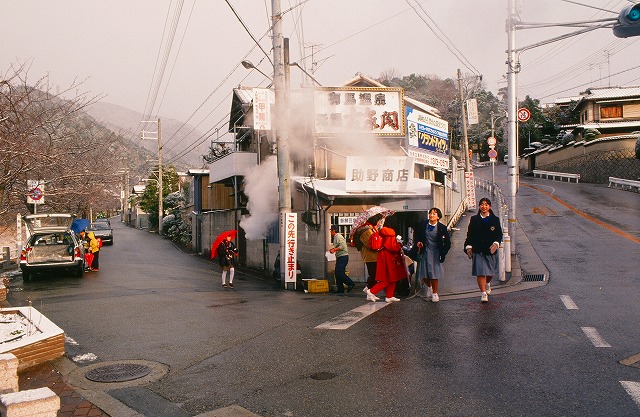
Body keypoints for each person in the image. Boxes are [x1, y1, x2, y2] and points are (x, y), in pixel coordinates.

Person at [464, 197, 503, 303]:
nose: (484, 206)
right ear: (479, 206)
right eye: (482, 204)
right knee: (480, 272)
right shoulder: (474, 219)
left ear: (489, 206)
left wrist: (496, 243)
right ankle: (483, 293)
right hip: (478, 250)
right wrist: (468, 246)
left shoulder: (495, 219)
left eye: (486, 204)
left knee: (490, 273)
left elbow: (499, 234)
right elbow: (469, 235)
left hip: (490, 250)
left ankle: (487, 283)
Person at [366, 216, 407, 303]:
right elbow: (392, 247)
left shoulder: (382, 230)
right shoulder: (391, 232)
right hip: (389, 257)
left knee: (392, 277)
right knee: (388, 278)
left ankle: (389, 295)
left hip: (382, 256)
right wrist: (400, 244)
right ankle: (371, 291)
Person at [415, 207, 451, 302]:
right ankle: (429, 287)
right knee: (425, 274)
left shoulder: (442, 228)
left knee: (434, 274)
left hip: (436, 253)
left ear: (438, 217)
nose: (431, 215)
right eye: (430, 213)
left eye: (434, 214)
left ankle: (435, 293)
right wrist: (419, 242)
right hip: (425, 251)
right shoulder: (423, 224)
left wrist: (443, 253)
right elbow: (418, 236)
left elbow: (447, 243)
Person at [353, 213, 384, 293]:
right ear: (375, 221)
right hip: (371, 256)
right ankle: (368, 290)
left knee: (374, 275)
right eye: (379, 221)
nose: (379, 222)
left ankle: (369, 290)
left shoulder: (372, 229)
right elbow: (371, 244)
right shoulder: (366, 231)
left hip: (374, 256)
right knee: (374, 275)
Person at [329, 225, 355, 293]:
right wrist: (333, 249)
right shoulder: (336, 237)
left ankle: (350, 283)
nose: (330, 232)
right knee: (337, 273)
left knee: (339, 272)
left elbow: (342, 246)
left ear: (333, 231)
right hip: (340, 256)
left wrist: (334, 249)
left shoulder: (338, 236)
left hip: (343, 257)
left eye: (331, 231)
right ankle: (340, 289)